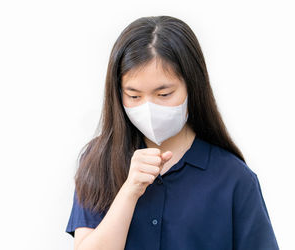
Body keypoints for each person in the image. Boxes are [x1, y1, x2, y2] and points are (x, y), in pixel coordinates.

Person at [65, 16, 279, 250]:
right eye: (134, 96)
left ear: (193, 87)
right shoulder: (99, 161)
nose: (148, 108)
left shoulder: (234, 178)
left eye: (164, 94)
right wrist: (130, 191)